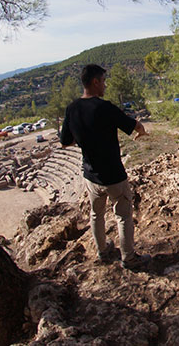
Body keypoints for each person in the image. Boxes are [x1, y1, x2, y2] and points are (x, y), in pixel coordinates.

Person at [60, 64, 148, 270]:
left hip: (90, 176)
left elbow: (65, 141)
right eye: (103, 81)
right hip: (114, 175)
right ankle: (129, 258)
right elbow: (133, 124)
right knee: (123, 216)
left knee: (95, 214)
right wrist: (141, 132)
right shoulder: (104, 107)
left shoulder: (72, 108)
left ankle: (102, 251)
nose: (105, 86)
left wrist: (84, 139)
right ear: (95, 82)